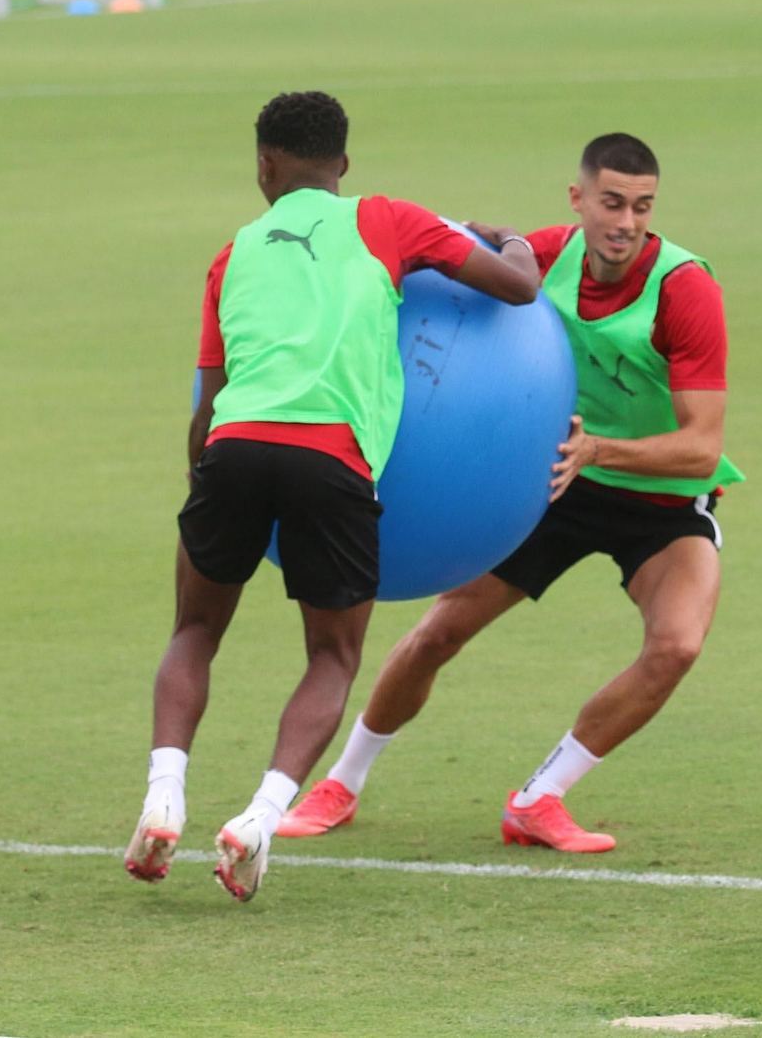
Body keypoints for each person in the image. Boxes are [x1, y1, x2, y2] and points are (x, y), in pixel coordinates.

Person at [122, 91, 540, 902]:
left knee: (196, 627)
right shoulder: (387, 221)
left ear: (264, 165)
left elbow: (207, 404)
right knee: (333, 655)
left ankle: (162, 794)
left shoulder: (232, 253)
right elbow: (519, 288)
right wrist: (507, 236)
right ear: (343, 166)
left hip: (234, 448)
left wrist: (201, 477)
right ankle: (261, 815)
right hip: (332, 461)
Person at [279, 133, 743, 853]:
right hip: (550, 483)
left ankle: (540, 797)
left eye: (642, 208)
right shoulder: (546, 255)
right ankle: (341, 782)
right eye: (612, 203)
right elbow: (461, 255)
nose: (626, 223)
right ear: (579, 198)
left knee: (677, 644)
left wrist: (599, 449)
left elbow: (701, 446)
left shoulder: (684, 289)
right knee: (440, 632)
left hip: (657, 497)